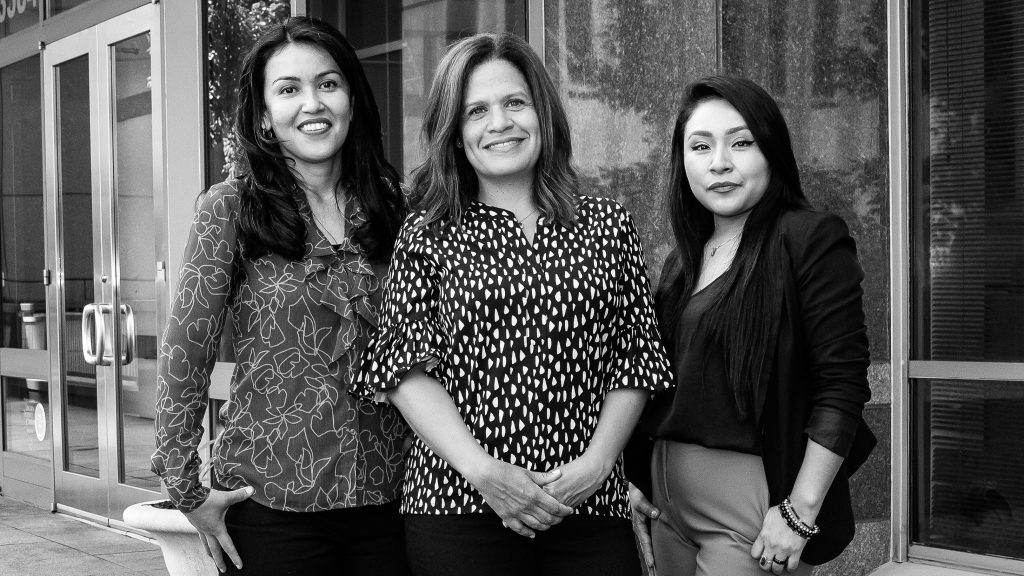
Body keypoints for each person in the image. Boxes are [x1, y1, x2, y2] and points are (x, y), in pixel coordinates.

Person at [353, 32, 673, 576]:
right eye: (476, 111)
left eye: (515, 102)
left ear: (543, 114)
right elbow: (404, 369)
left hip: (589, 503)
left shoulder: (608, 224)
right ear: (455, 134)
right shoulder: (427, 233)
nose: (499, 123)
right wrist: (485, 473)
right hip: (458, 504)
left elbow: (636, 356)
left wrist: (598, 465)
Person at [151, 17, 409, 576]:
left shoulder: (396, 207)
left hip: (390, 498)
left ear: (352, 100)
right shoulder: (229, 208)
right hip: (270, 503)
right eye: (289, 89)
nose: (313, 103)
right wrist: (186, 488)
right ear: (265, 115)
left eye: (328, 84)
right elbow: (185, 353)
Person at [627, 76, 876, 576]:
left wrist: (800, 511)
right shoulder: (682, 261)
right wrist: (633, 480)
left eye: (741, 143)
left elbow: (842, 385)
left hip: (753, 510)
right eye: (701, 146)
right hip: (665, 503)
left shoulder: (808, 239)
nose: (719, 162)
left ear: (771, 151)